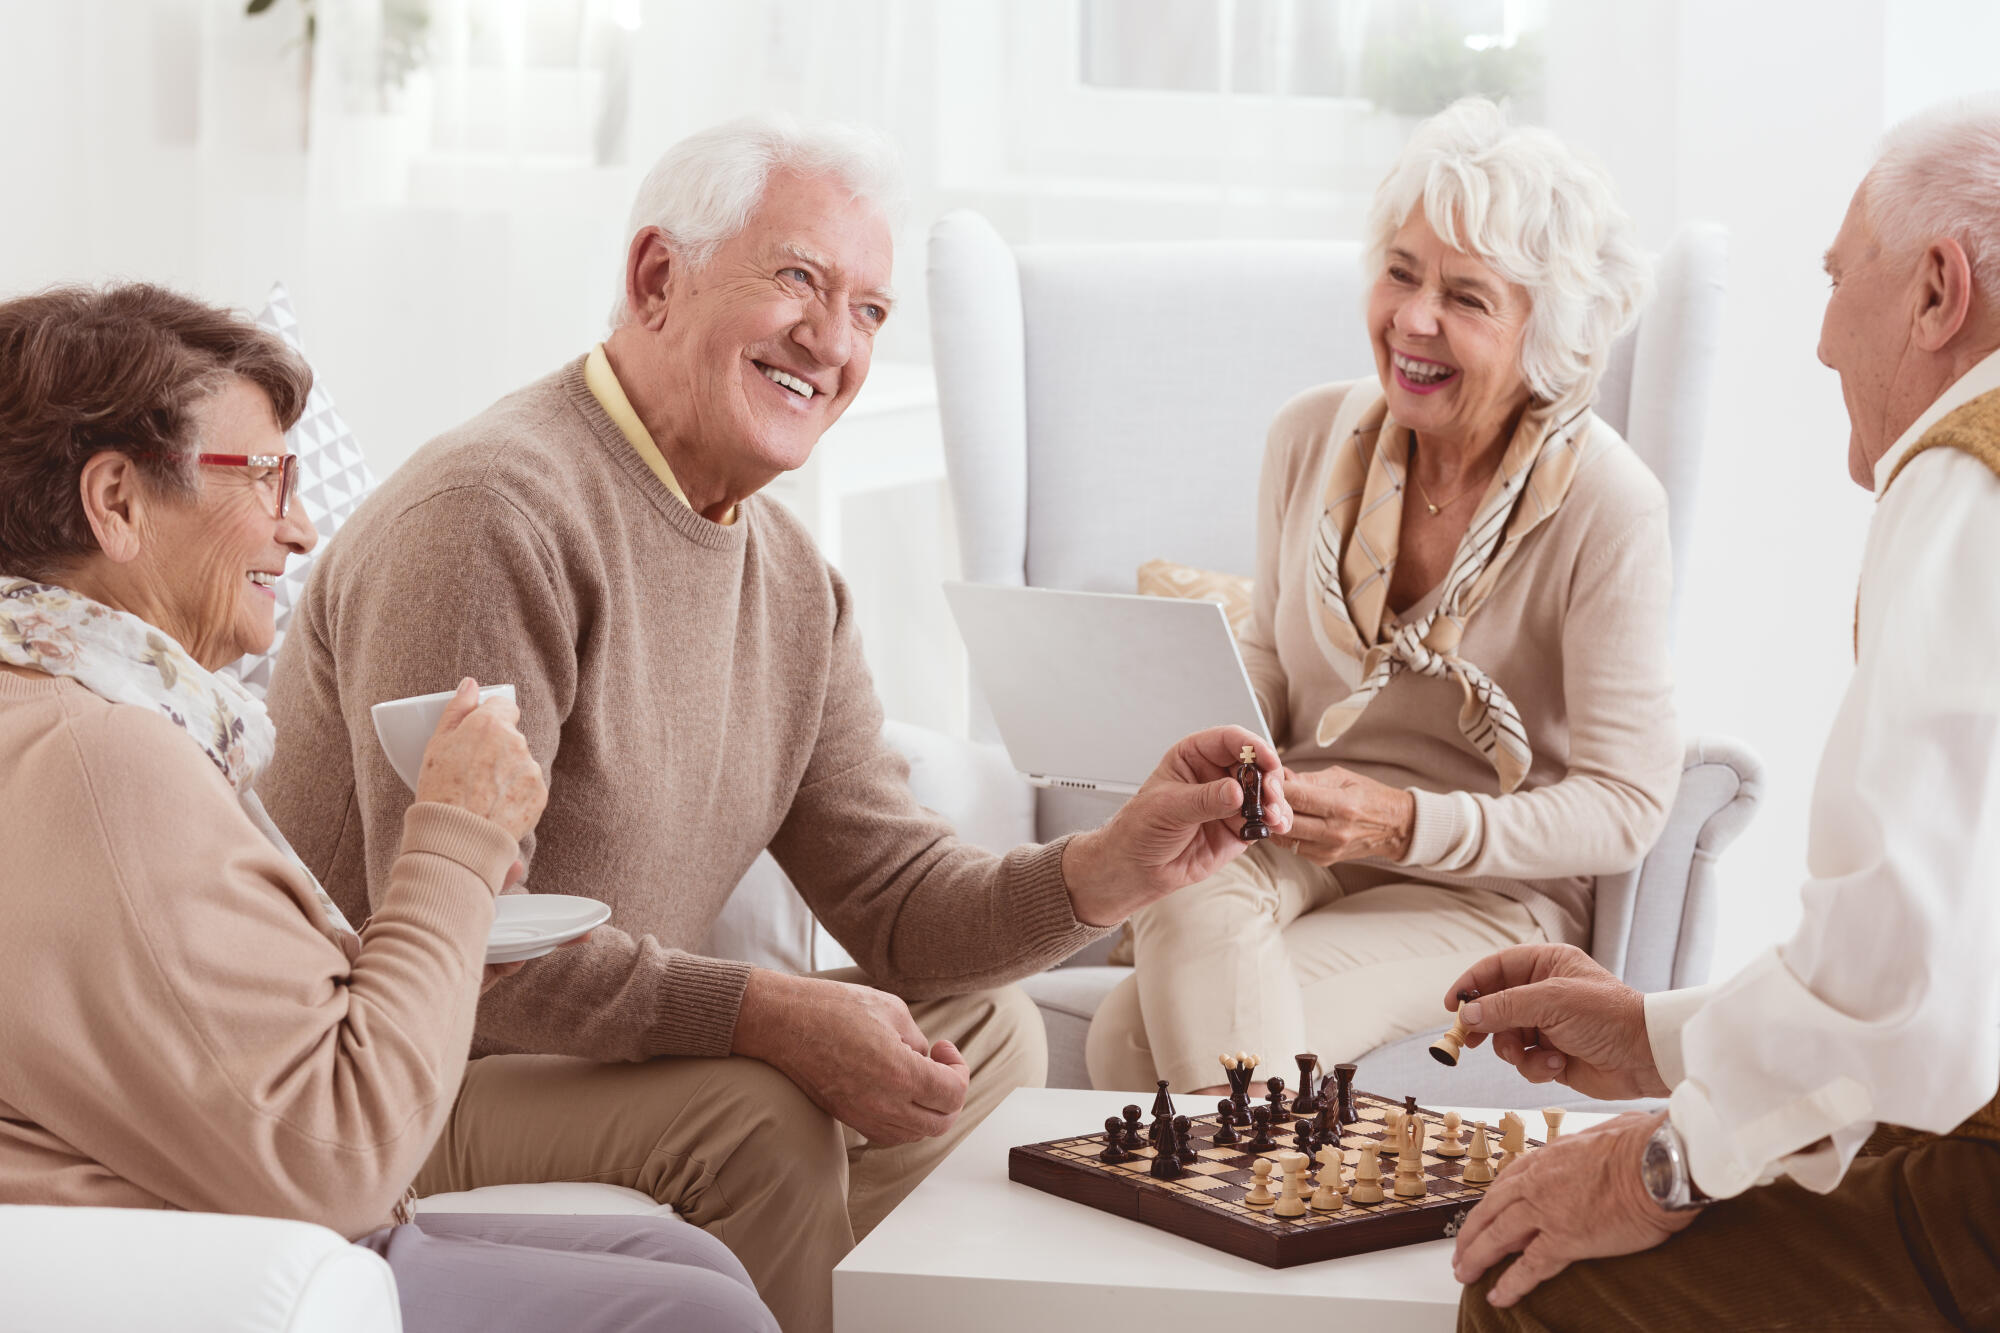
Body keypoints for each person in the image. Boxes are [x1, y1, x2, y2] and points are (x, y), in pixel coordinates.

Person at [259, 115, 1288, 1332]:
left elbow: (897, 899)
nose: (832, 341)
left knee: (982, 1037)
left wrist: (1109, 868)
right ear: (656, 279)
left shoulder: (794, 581)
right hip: (389, 1077)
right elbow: (470, 954)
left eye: (869, 310)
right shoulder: (495, 512)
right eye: (799, 278)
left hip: (570, 1057)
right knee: (761, 1117)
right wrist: (761, 1013)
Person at [0, 285, 780, 1331]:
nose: (303, 523)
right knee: (698, 1308)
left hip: (203, 1200)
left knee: (682, 1254)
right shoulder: (104, 756)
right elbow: (342, 1157)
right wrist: (454, 840)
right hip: (216, 1254)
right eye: (267, 476)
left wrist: (450, 932)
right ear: (119, 503)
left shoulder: (72, 707)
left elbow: (205, 1022)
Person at [1443, 97, 2000, 1331]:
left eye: (1833, 276)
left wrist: (1658, 1167)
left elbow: (1909, 989)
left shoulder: (1967, 470)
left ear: (1934, 293)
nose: (1814, 340)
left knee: (1525, 1284)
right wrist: (1658, 1038)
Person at [1086, 98, 1681, 1098]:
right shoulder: (1306, 437)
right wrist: (1190, 732)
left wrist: (1403, 823)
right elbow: (1274, 671)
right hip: (1297, 836)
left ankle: (1259, 1222)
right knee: (1186, 875)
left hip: (1491, 889)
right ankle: (1272, 1225)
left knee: (1127, 1038)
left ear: (1548, 334)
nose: (1412, 318)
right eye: (1399, 273)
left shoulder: (1608, 504)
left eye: (1465, 296)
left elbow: (1624, 807)